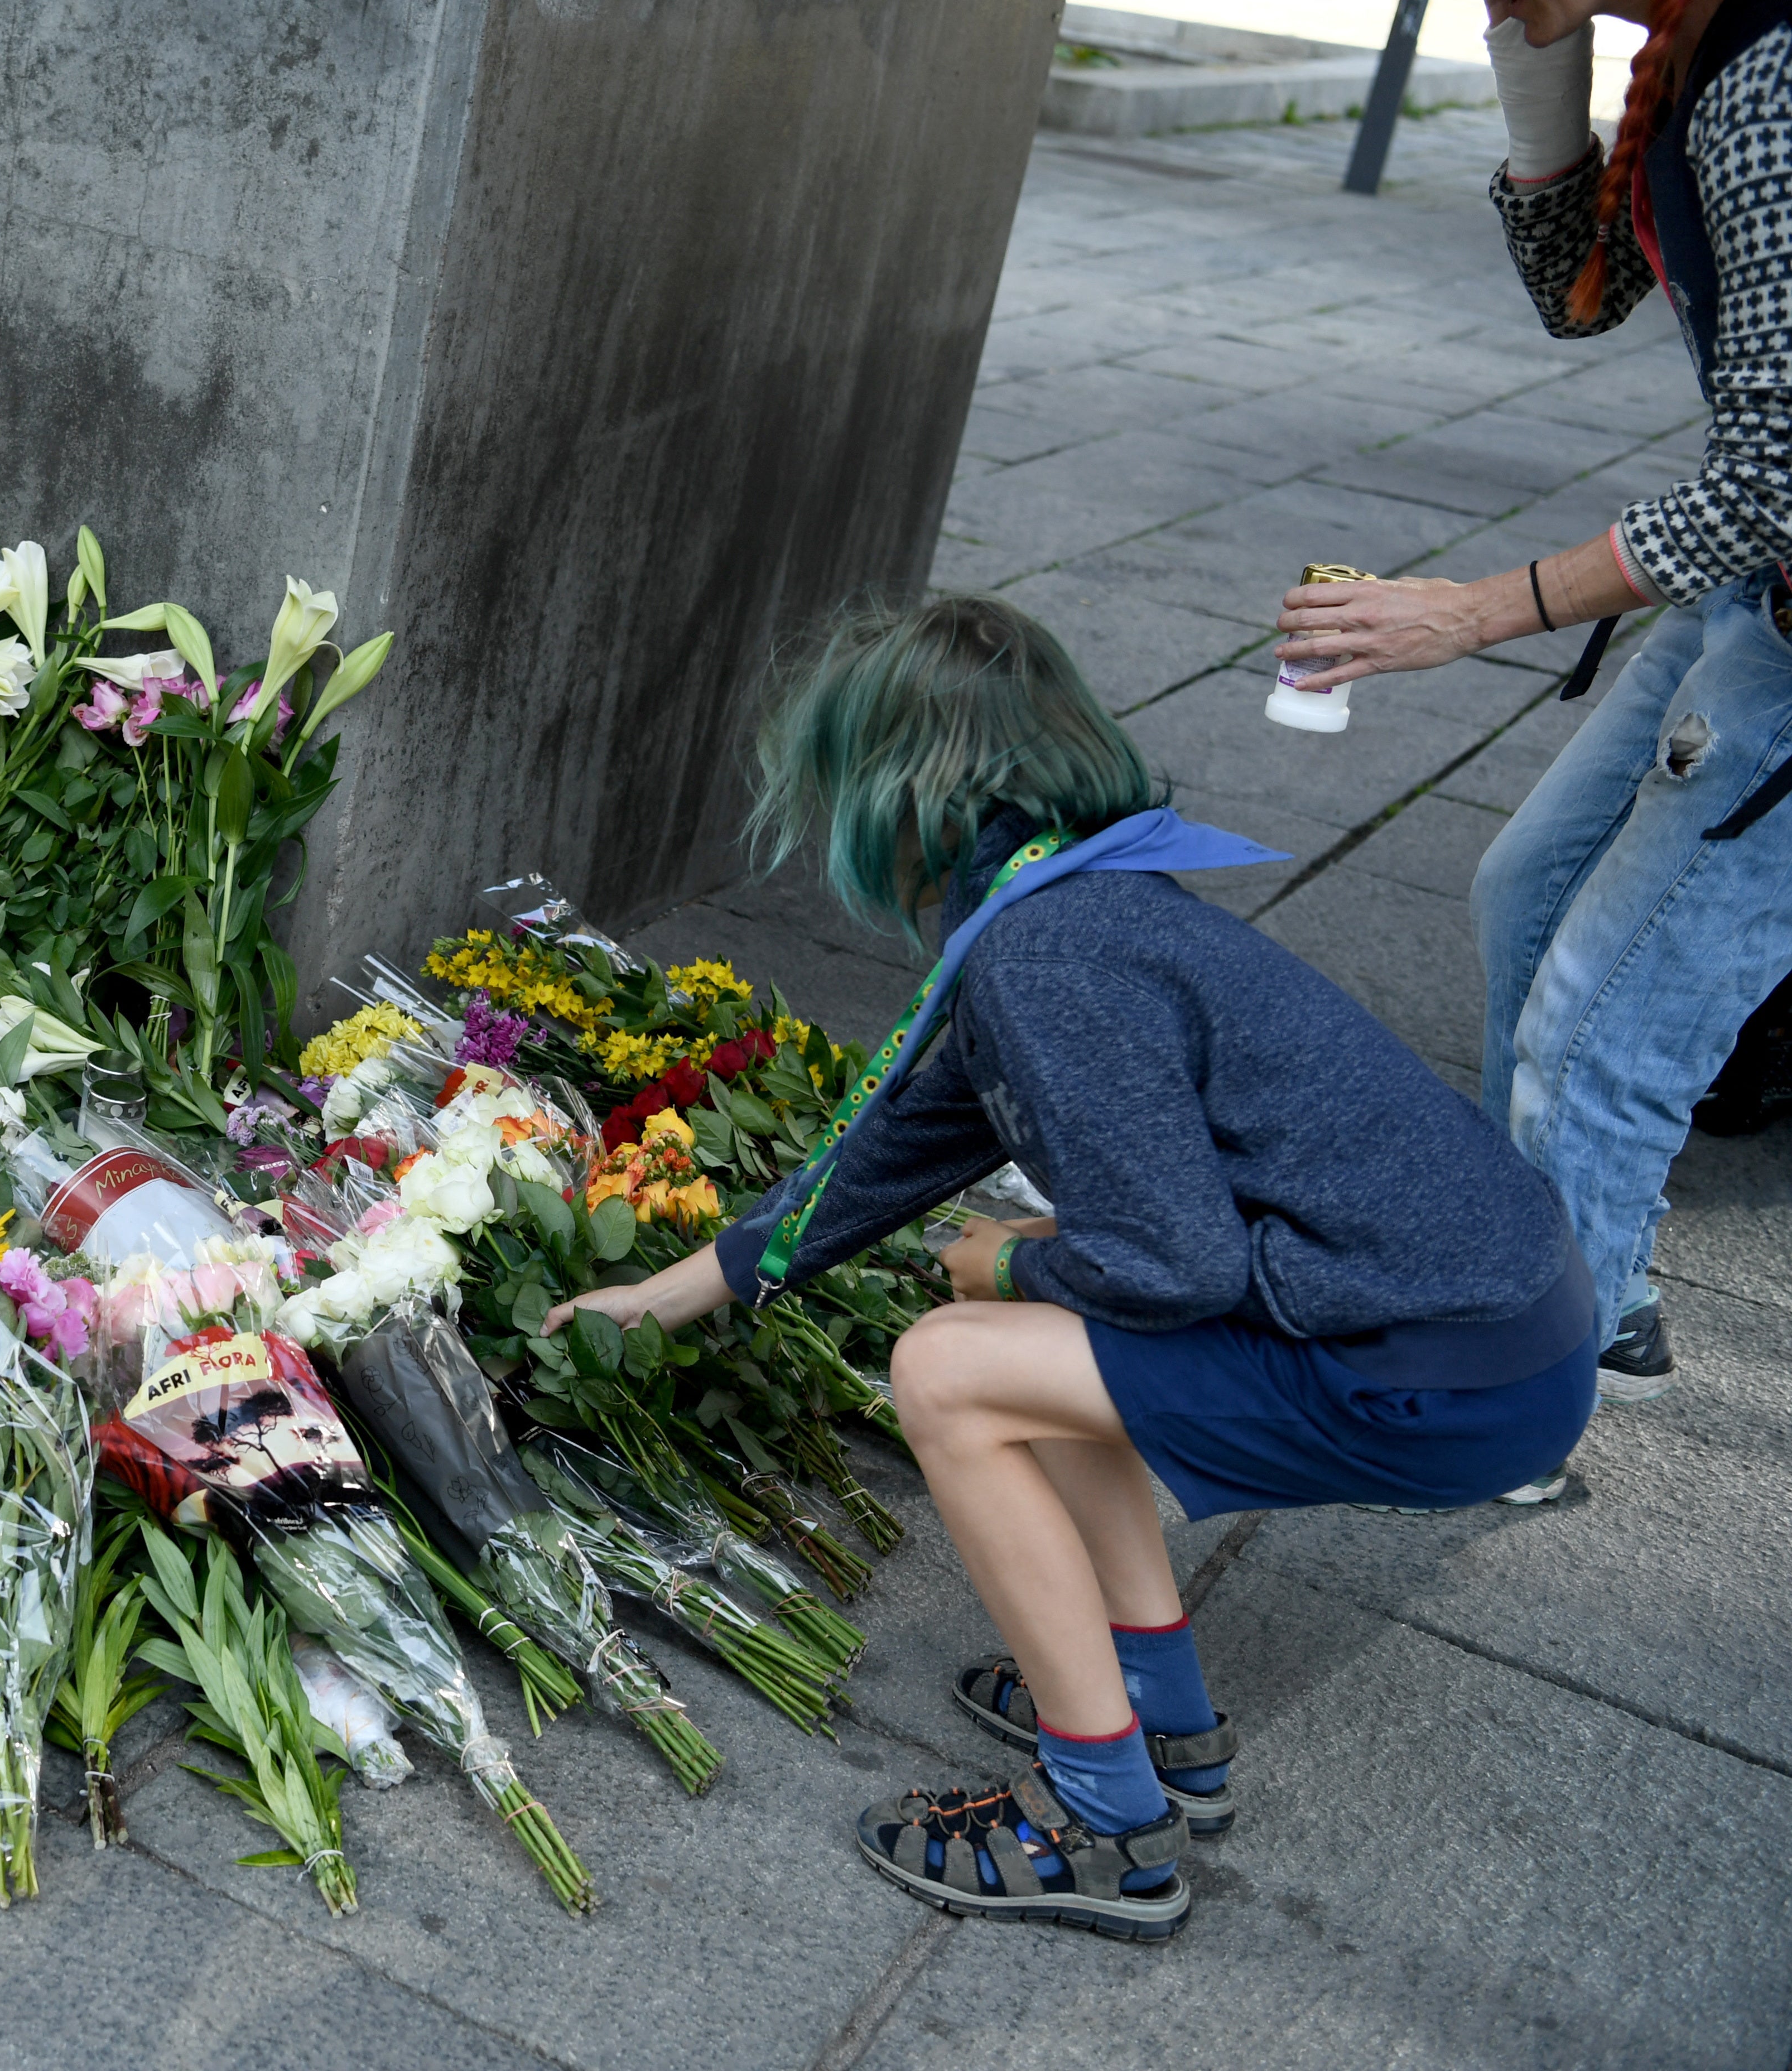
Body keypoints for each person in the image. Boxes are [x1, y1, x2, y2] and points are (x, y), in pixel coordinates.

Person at [548, 596, 1596, 1939]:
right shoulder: (1079, 894)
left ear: (900, 791)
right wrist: (682, 1287)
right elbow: (912, 1134)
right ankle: (1166, 1725)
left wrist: (1003, 1264)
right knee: (1051, 1344)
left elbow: (1169, 1264)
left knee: (950, 1366)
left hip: (1443, 1369)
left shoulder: (1047, 951)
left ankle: (1105, 1825)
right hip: (1495, 1326)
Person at [1274, 0, 1792, 1425]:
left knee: (1604, 1018)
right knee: (1526, 897)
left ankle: (1516, 1398)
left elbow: (1777, 473)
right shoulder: (1692, 47)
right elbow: (1577, 284)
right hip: (1756, 588)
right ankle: (1578, 1286)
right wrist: (1536, 57)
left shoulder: (1775, 71)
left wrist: (1470, 612)